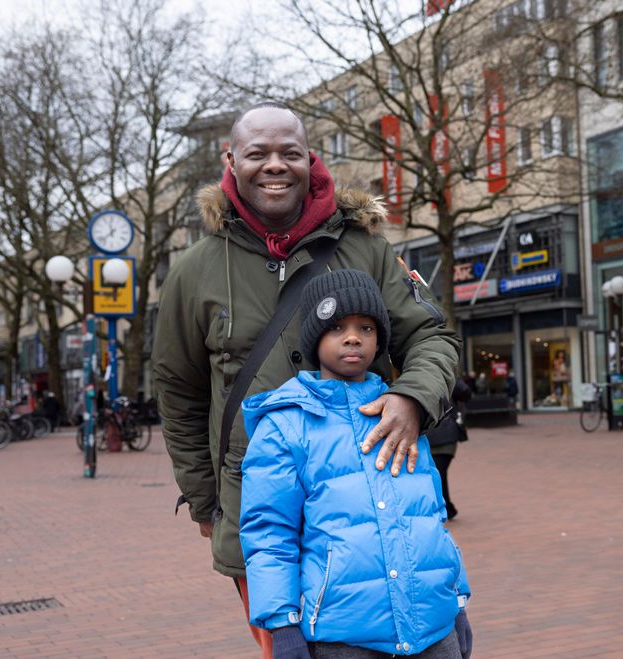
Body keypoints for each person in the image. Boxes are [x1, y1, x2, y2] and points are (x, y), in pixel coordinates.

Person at [152, 103, 460, 657]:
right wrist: (205, 503)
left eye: (289, 153)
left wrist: (413, 398)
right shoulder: (195, 268)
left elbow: (433, 338)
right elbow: (178, 391)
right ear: (232, 160)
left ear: (309, 158)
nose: (275, 165)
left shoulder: (367, 248)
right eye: (258, 153)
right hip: (258, 522)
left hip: (367, 514)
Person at [239, 270, 472, 659]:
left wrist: (457, 601)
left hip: (431, 628)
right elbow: (269, 533)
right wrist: (282, 624)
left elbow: (429, 517)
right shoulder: (285, 424)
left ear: (380, 338)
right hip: (344, 637)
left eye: (366, 327)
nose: (352, 337)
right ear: (314, 338)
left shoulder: (400, 413)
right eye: (336, 327)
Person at [427, 376, 472, 521]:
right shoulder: (414, 375)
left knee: (438, 473)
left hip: (445, 436)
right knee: (435, 474)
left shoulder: (445, 375)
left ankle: (446, 508)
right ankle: (445, 508)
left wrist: (450, 377)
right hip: (428, 438)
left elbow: (465, 393)